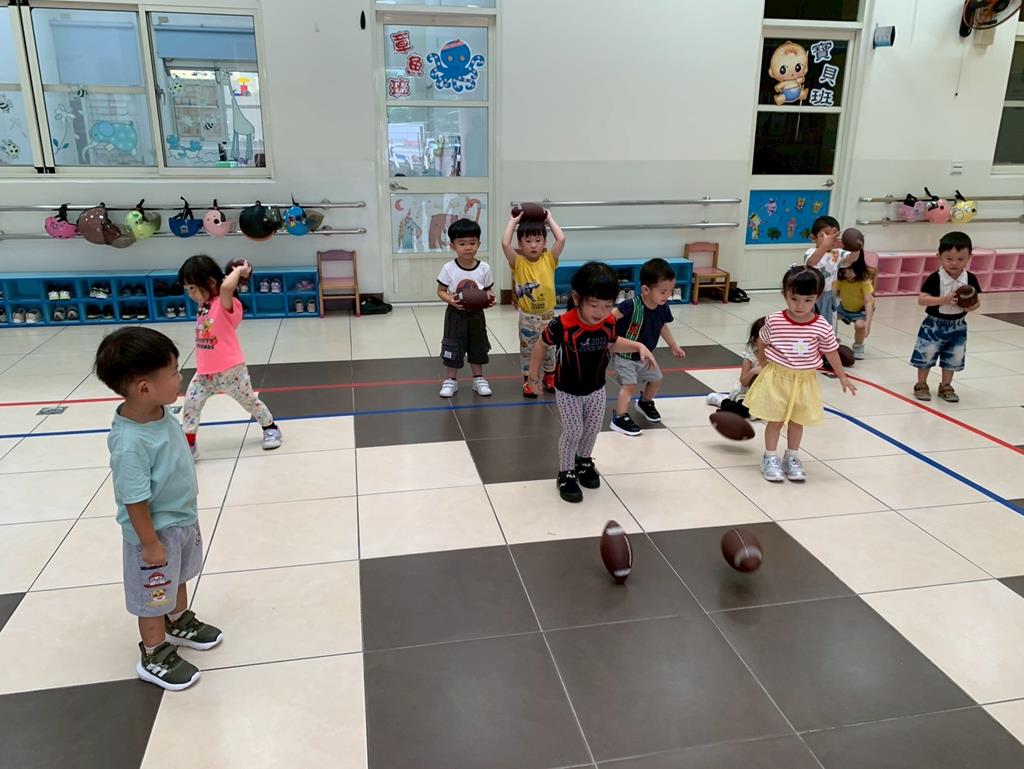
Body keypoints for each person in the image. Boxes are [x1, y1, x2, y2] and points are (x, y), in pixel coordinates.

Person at [95, 327, 223, 691]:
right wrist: (149, 543)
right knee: (153, 595)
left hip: (180, 520)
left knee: (177, 576)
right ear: (144, 388)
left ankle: (178, 619)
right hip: (154, 532)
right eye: (173, 372)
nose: (180, 377)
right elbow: (134, 499)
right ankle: (153, 652)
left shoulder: (159, 413)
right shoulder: (130, 443)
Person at [527, 261, 657, 503]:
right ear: (577, 298)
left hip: (596, 387)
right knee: (574, 430)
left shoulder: (608, 322)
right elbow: (541, 345)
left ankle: (583, 461)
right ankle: (566, 472)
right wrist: (533, 376)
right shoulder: (562, 325)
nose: (600, 312)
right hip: (568, 389)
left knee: (593, 428)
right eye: (594, 305)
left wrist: (638, 345)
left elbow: (612, 343)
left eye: (608, 305)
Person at [744, 265, 856, 483]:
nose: (800, 305)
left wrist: (842, 376)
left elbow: (831, 351)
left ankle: (792, 457)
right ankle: (770, 457)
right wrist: (765, 363)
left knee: (797, 420)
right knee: (775, 420)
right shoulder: (774, 320)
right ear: (784, 294)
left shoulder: (821, 325)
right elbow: (762, 341)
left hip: (805, 380)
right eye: (794, 299)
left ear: (817, 298)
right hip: (777, 378)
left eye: (807, 300)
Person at [178, 255, 282, 459]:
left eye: (193, 288)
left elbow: (226, 288)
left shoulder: (227, 303)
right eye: (187, 289)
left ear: (211, 282)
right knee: (191, 404)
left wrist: (239, 271)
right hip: (205, 372)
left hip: (231, 370)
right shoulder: (205, 303)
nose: (190, 294)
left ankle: (270, 427)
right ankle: (189, 445)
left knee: (249, 401)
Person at [608, 258, 686, 435]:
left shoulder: (662, 307)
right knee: (629, 385)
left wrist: (673, 345)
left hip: (646, 356)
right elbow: (610, 318)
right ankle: (619, 417)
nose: (667, 295)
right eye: (663, 291)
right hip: (626, 356)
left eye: (670, 291)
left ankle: (645, 402)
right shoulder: (631, 305)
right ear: (645, 290)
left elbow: (662, 326)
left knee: (656, 379)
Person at [501, 208, 566, 397]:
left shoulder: (549, 259)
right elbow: (505, 243)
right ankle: (528, 380)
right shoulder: (518, 262)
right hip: (528, 317)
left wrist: (550, 219)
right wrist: (513, 222)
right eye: (528, 241)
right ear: (520, 244)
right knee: (528, 350)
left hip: (548, 315)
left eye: (538, 240)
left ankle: (549, 376)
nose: (534, 245)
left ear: (544, 242)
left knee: (550, 348)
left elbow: (561, 239)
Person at [911, 231, 981, 403]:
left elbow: (977, 302)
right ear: (939, 257)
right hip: (933, 325)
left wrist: (970, 306)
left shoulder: (970, 279)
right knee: (926, 354)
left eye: (960, 259)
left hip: (958, 325)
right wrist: (943, 300)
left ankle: (946, 385)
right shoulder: (935, 278)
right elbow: (922, 299)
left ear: (970, 257)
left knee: (953, 357)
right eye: (949, 259)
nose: (954, 263)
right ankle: (921, 384)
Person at [437, 218, 496, 398]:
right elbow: (440, 291)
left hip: (476, 315)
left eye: (472, 243)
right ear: (453, 246)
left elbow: (488, 291)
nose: (468, 247)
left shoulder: (484, 268)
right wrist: (451, 300)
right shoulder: (449, 268)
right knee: (453, 345)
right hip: (455, 314)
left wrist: (489, 299)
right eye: (462, 244)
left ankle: (478, 379)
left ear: (479, 244)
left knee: (477, 345)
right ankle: (451, 380)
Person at [706, 316, 765, 419]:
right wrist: (753, 371)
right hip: (747, 394)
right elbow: (743, 382)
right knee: (745, 411)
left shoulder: (778, 357)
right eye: (765, 339)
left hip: (768, 395)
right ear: (754, 340)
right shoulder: (750, 357)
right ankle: (722, 400)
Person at [804, 215, 856, 328]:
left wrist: (856, 247)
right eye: (826, 235)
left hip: (828, 294)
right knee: (809, 322)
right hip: (810, 294)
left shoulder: (837, 253)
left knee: (827, 323)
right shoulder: (811, 252)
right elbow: (811, 262)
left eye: (834, 236)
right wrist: (824, 246)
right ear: (813, 238)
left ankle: (827, 337)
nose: (830, 239)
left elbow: (850, 259)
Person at [835, 251, 876, 360]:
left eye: (852, 270)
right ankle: (832, 340)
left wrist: (868, 324)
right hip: (843, 308)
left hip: (860, 310)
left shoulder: (864, 282)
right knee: (830, 318)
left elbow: (868, 302)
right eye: (846, 270)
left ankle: (858, 346)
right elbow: (833, 294)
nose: (848, 273)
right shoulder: (841, 280)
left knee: (860, 326)